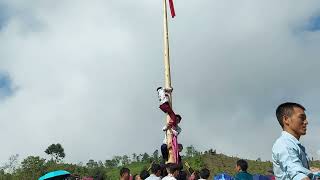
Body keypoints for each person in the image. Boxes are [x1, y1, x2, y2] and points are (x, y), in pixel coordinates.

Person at [272, 102, 320, 180]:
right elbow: (298, 175)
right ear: (286, 119)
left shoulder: (293, 145)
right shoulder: (285, 144)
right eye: (302, 118)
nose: (306, 122)